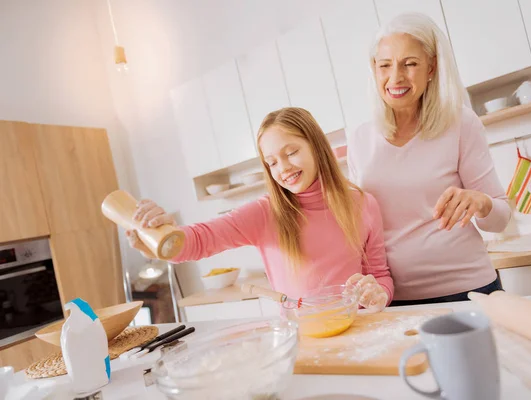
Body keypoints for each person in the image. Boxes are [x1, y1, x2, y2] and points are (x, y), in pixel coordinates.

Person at [127, 107, 392, 312]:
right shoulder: (265, 214)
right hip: (304, 340)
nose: (283, 168)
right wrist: (158, 237)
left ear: (317, 146)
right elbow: (199, 241)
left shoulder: (363, 204)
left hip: (357, 332)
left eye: (291, 152)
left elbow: (380, 276)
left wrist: (379, 294)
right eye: (272, 162)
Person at [346, 13, 511, 306]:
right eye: (385, 65)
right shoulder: (359, 138)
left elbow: (499, 220)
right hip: (394, 298)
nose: (395, 77)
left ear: (431, 67)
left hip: (469, 290)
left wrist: (481, 202)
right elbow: (364, 229)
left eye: (410, 64)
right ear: (374, 69)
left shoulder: (460, 123)